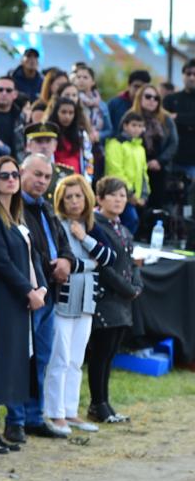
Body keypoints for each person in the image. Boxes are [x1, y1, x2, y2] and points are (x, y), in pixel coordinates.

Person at [0, 156, 47, 453]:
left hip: (17, 302)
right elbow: (0, 260)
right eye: (5, 176)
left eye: (15, 174)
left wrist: (39, 286)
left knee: (6, 367)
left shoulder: (15, 215)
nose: (12, 180)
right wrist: (28, 291)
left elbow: (32, 257)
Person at [3, 153, 76, 444]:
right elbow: (24, 253)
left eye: (47, 177)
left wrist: (67, 262)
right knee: (23, 359)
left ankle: (35, 416)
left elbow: (64, 245)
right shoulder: (14, 207)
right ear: (22, 172)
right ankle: (16, 420)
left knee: (42, 358)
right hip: (27, 296)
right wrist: (51, 267)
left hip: (49, 297)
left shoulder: (46, 208)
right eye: (37, 174)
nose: (42, 181)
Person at [46, 175, 114, 436]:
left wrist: (85, 239)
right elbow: (63, 263)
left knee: (76, 359)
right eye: (68, 197)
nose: (74, 201)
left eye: (78, 196)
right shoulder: (56, 225)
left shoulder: (91, 226)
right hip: (63, 300)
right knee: (59, 358)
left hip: (86, 302)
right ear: (60, 200)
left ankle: (70, 409)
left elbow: (108, 258)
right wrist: (87, 264)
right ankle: (55, 412)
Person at [88, 176, 142, 424]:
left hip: (123, 301)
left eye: (123, 195)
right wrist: (126, 288)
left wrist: (136, 285)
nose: (119, 200)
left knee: (111, 354)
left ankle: (105, 403)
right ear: (99, 198)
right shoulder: (95, 225)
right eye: (113, 194)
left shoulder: (123, 229)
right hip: (106, 299)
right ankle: (97, 404)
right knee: (100, 354)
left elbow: (132, 262)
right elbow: (103, 266)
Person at [129, 82, 177, 212]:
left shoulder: (165, 118)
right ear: (140, 98)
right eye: (148, 96)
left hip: (159, 168)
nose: (152, 101)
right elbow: (123, 141)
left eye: (156, 98)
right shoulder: (131, 117)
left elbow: (173, 142)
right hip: (135, 169)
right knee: (137, 206)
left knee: (157, 208)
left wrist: (159, 161)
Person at [104, 112, 149, 235]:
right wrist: (129, 193)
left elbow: (143, 174)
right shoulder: (115, 144)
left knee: (130, 223)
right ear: (125, 125)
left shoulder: (140, 148)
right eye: (134, 125)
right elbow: (115, 170)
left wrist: (144, 195)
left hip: (136, 197)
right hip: (119, 193)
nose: (137, 129)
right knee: (130, 220)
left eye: (140, 126)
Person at [163, 58, 195, 185]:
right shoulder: (171, 99)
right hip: (174, 159)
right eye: (188, 74)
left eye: (194, 74)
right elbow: (165, 121)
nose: (192, 78)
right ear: (183, 75)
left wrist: (177, 117)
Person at [46, 97, 91, 178]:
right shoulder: (48, 135)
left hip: (78, 180)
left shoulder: (81, 134)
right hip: (55, 180)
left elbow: (89, 160)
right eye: (63, 112)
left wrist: (87, 181)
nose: (67, 116)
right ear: (56, 113)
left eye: (71, 113)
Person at [0, 75, 24, 160]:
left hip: (14, 162)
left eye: (8, 90)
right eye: (0, 89)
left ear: (15, 94)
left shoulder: (22, 117)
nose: (4, 93)